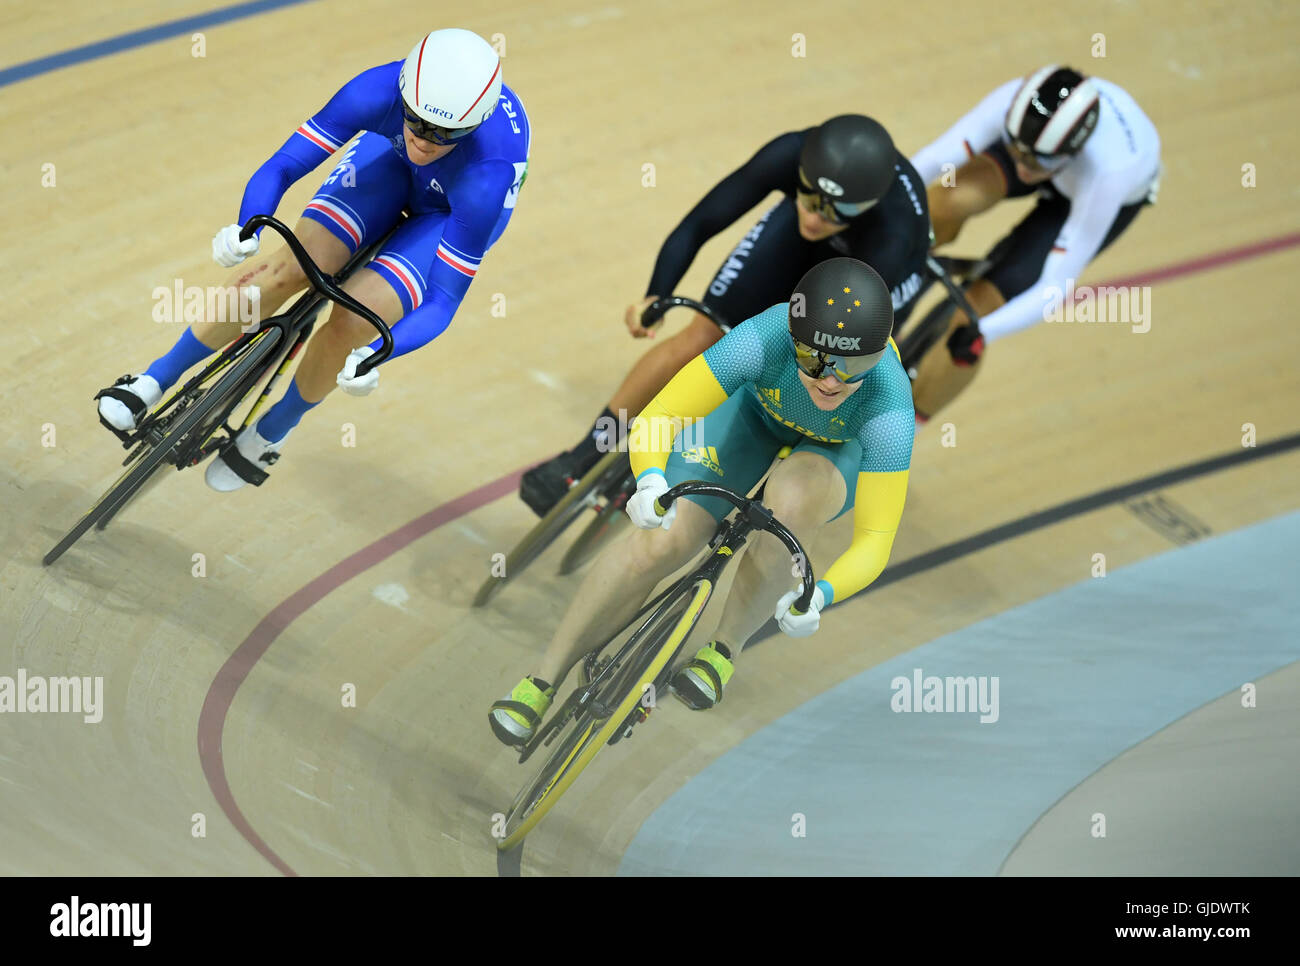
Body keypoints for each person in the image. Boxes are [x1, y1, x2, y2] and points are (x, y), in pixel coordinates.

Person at [491, 258, 914, 746]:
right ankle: (541, 679)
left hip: (834, 453)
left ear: (878, 356)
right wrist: (650, 481)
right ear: (793, 339)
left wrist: (819, 595)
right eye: (813, 359)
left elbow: (876, 541)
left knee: (793, 505)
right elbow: (662, 416)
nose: (831, 381)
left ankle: (724, 649)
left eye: (854, 366)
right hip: (755, 415)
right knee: (660, 544)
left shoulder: (889, 406)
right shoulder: (764, 337)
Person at [96, 28, 530, 490]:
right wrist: (246, 227)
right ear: (403, 94)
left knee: (354, 322)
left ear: (474, 127)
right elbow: (283, 165)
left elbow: (443, 303)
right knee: (289, 269)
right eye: (418, 121)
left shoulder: (488, 175)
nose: (425, 140)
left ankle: (273, 430)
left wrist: (377, 353)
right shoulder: (374, 92)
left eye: (446, 133)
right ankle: (154, 378)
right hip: (389, 160)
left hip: (452, 211)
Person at [518, 114, 931, 516]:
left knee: (809, 368)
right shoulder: (789, 152)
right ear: (801, 175)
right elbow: (701, 222)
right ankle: (585, 455)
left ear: (865, 205)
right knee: (702, 336)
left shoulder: (894, 230)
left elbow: (840, 336)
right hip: (800, 246)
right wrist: (656, 295)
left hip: (864, 277)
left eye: (833, 212)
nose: (813, 217)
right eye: (806, 199)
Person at [907, 65, 1161, 422]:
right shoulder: (1014, 105)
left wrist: (984, 333)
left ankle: (901, 434)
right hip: (1050, 158)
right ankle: (901, 271)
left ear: (1074, 151)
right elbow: (934, 160)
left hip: (1084, 201)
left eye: (1038, 162)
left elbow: (1055, 287)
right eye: (1017, 151)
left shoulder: (1109, 172)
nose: (1024, 169)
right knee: (944, 202)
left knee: (973, 320)